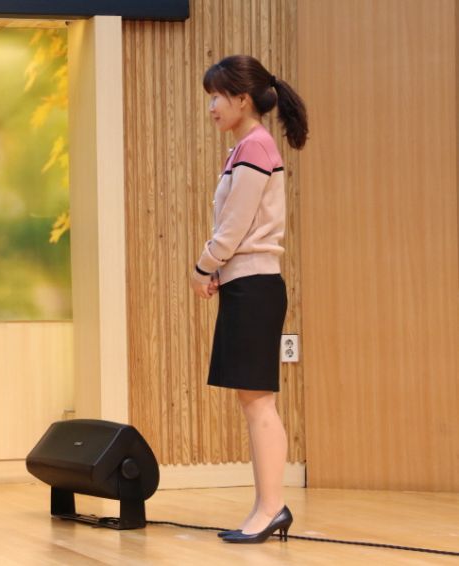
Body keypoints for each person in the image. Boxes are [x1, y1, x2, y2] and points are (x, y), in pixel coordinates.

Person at [190, 55, 308, 544]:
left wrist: (204, 265)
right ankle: (265, 507)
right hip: (247, 283)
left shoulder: (255, 146)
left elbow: (235, 225)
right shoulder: (245, 148)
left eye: (217, 97)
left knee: (259, 403)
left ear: (242, 99)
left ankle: (271, 508)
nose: (212, 107)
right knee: (253, 401)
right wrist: (220, 269)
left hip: (256, 286)